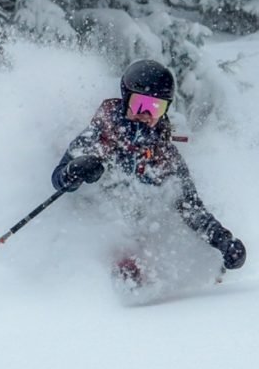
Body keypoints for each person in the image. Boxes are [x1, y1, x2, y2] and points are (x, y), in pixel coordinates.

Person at [51, 59, 246, 284]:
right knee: (114, 244)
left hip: (135, 226)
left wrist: (222, 240)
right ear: (126, 99)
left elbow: (190, 207)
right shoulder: (102, 133)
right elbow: (59, 180)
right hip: (93, 220)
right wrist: (76, 169)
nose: (146, 114)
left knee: (149, 243)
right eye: (139, 104)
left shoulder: (163, 155)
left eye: (156, 107)